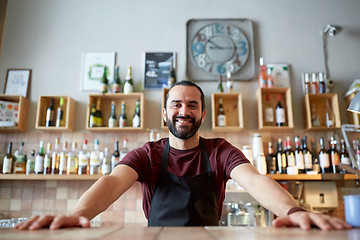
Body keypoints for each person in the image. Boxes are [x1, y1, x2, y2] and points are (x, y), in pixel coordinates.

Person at [16, 80, 351, 231]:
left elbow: (254, 180)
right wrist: (79, 214)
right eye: (176, 104)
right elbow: (113, 181)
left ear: (203, 114)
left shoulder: (220, 151)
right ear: (165, 114)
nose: (183, 111)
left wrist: (293, 210)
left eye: (192, 105)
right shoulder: (148, 155)